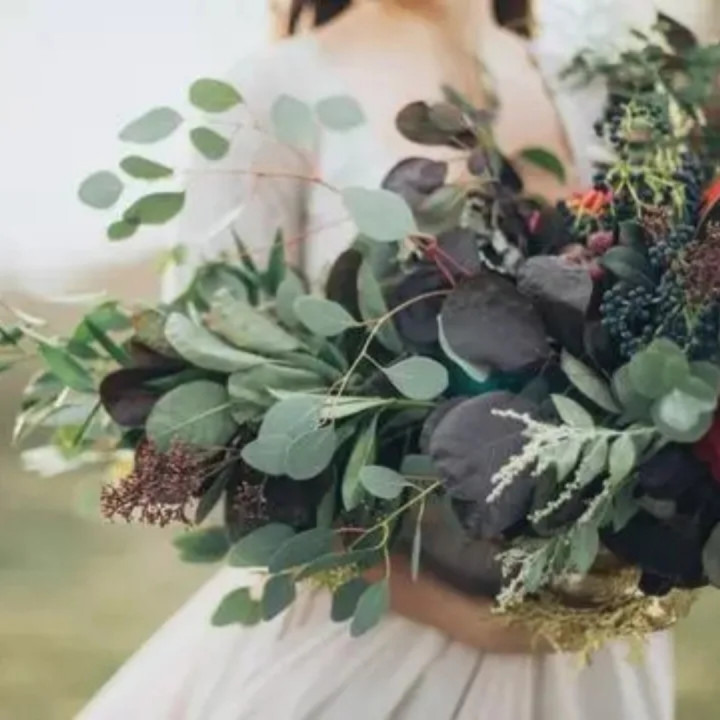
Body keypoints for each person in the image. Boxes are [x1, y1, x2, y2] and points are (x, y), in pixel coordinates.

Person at [79, 1, 714, 718]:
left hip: (594, 667)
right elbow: (203, 426)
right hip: (367, 655)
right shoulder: (266, 97)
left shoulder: (600, 88)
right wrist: (453, 610)